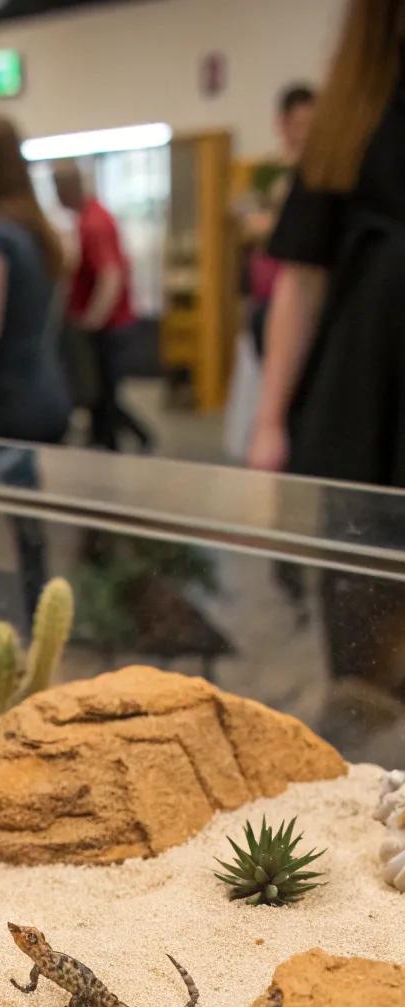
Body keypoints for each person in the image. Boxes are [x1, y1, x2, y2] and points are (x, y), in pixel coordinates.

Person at [248, 0, 405, 704]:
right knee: (363, 632)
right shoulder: (350, 111)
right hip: (358, 400)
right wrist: (269, 422)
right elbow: (299, 283)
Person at [0, 115, 70, 620]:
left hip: (10, 397)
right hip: (47, 386)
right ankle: (44, 611)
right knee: (33, 524)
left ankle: (33, 619)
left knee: (21, 526)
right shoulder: (36, 230)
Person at [54, 161, 152, 453]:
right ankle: (125, 440)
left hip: (109, 328)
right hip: (111, 324)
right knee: (104, 395)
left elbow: (110, 275)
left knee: (102, 395)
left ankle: (113, 447)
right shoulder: (91, 217)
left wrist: (92, 320)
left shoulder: (94, 222)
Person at [241, 83, 317, 356]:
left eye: (312, 123)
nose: (305, 131)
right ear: (282, 123)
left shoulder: (319, 174)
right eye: (299, 123)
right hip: (268, 289)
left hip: (305, 289)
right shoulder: (268, 172)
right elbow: (250, 223)